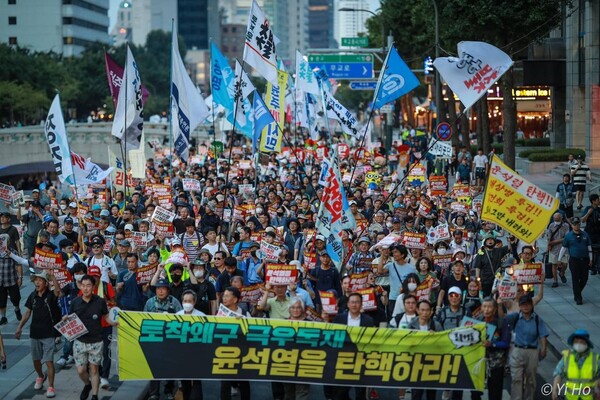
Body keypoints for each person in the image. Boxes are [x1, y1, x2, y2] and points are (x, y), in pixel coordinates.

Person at [14, 270, 62, 398]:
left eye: (40, 280)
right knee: (36, 361)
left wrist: (52, 276)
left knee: (49, 361)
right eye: (36, 280)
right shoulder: (32, 296)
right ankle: (41, 376)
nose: (37, 282)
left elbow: (58, 292)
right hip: (34, 333)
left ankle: (51, 386)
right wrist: (19, 327)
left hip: (49, 333)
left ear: (46, 283)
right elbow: (27, 313)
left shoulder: (51, 295)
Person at [69, 273, 117, 400]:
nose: (85, 288)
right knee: (81, 370)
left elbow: (106, 317)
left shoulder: (100, 302)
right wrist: (65, 320)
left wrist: (114, 323)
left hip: (96, 341)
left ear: (93, 286)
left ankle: (95, 395)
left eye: (88, 285)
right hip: (80, 341)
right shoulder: (75, 302)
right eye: (83, 285)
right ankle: (87, 384)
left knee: (94, 369)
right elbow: (70, 319)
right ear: (80, 287)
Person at [144, 278, 182, 400]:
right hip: (154, 339)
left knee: (170, 366)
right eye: (158, 289)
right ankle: (154, 393)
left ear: (168, 290)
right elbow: (143, 319)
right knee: (154, 367)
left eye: (163, 289)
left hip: (170, 340)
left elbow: (181, 319)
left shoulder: (174, 302)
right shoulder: (149, 302)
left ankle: (169, 389)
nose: (160, 291)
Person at [506, 295, 549, 400]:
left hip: (532, 351)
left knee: (531, 379)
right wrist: (499, 304)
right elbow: (502, 317)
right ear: (519, 306)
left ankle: (529, 398)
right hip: (517, 350)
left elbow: (543, 335)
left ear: (531, 305)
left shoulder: (537, 319)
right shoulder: (515, 317)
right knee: (516, 378)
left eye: (528, 304)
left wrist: (544, 348)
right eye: (523, 304)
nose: (525, 307)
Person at [333, 292, 375, 400]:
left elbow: (372, 341)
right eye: (352, 302)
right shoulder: (339, 319)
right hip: (343, 360)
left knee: (360, 393)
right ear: (348, 304)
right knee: (341, 392)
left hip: (361, 360)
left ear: (361, 304)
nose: (354, 305)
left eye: (357, 302)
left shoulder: (368, 321)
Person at [472, 298, 510, 400]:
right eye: (484, 306)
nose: (486, 310)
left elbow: (506, 343)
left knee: (495, 392)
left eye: (489, 307)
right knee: (475, 391)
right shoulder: (477, 322)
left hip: (496, 363)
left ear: (495, 309)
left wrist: (492, 344)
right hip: (479, 362)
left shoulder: (502, 322)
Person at [220, 287, 251, 400]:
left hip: (242, 352)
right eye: (224, 296)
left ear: (235, 299)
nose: (224, 298)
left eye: (227, 296)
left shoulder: (244, 313)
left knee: (243, 382)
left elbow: (250, 332)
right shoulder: (220, 313)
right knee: (225, 383)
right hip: (224, 352)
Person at [551, 329, 600, 400]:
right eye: (576, 342)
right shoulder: (567, 357)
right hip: (570, 397)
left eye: (581, 342)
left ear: (587, 344)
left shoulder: (595, 358)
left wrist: (597, 388)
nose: (578, 344)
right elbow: (558, 374)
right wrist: (554, 390)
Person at [409, 299, 442, 400]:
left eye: (427, 310)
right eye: (422, 310)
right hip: (416, 363)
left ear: (431, 311)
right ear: (417, 310)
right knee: (416, 393)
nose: (425, 313)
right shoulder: (411, 325)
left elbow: (443, 344)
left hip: (432, 363)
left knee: (431, 393)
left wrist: (436, 338)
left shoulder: (436, 325)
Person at [176, 290, 205, 400]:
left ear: (194, 302)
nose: (187, 303)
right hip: (182, 354)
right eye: (185, 301)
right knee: (185, 382)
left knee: (197, 381)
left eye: (189, 301)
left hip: (196, 354)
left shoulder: (201, 316)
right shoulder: (177, 316)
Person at [558, 217, 592, 305]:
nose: (576, 226)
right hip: (574, 260)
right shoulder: (569, 236)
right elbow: (563, 248)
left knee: (585, 278)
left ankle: (577, 292)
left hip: (584, 260)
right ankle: (578, 297)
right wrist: (559, 259)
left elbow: (589, 247)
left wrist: (591, 259)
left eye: (578, 224)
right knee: (575, 278)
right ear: (571, 225)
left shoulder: (585, 234)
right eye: (574, 224)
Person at [545, 212, 570, 287]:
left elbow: (566, 238)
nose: (556, 220)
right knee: (554, 264)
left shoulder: (566, 226)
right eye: (555, 219)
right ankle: (555, 281)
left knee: (565, 264)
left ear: (561, 218)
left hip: (563, 248)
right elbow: (549, 238)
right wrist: (548, 246)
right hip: (553, 249)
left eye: (558, 219)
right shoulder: (551, 225)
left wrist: (554, 242)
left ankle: (562, 273)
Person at [582, 193, 600, 275]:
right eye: (598, 199)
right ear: (593, 201)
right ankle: (592, 267)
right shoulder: (588, 208)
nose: (599, 201)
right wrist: (588, 213)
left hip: (598, 233)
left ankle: (598, 266)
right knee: (591, 250)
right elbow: (582, 220)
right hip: (590, 233)